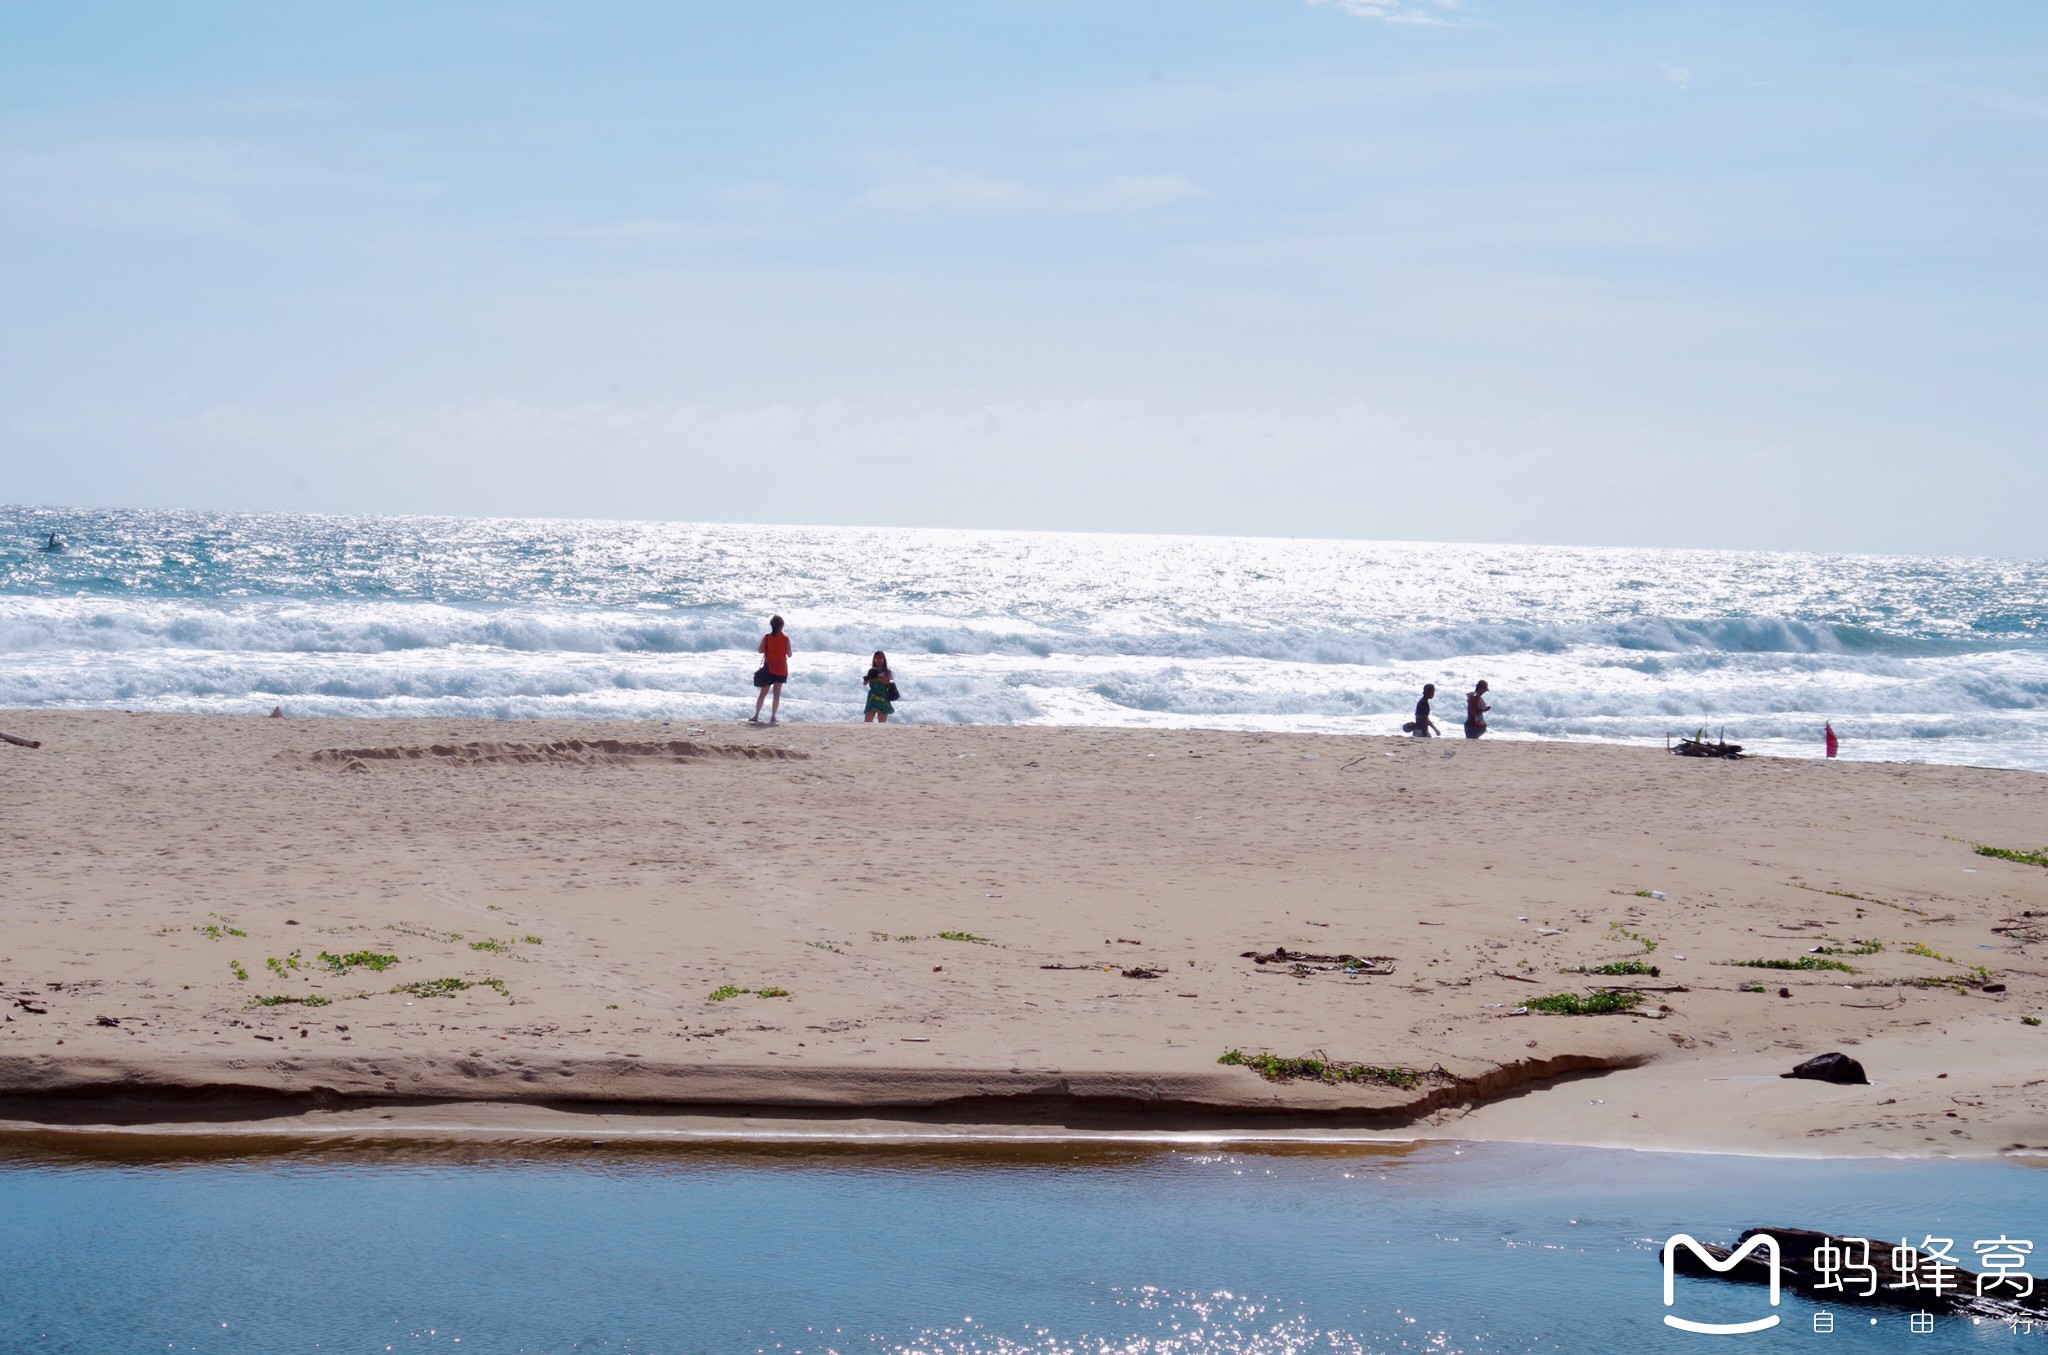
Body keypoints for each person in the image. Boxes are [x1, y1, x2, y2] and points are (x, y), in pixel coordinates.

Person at [750, 615, 791, 725]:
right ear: (782, 625)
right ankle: (773, 717)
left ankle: (756, 715)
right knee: (776, 694)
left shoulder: (767, 637)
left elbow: (760, 650)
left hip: (769, 669)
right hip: (781, 669)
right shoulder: (785, 638)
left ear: (771, 625)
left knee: (763, 693)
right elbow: (790, 654)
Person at [862, 650, 895, 724]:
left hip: (883, 696)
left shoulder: (887, 671)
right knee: (867, 722)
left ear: (884, 659)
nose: (878, 660)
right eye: (876, 658)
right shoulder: (871, 670)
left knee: (882, 723)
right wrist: (870, 677)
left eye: (880, 658)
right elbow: (865, 683)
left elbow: (887, 682)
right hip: (872, 696)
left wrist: (879, 677)